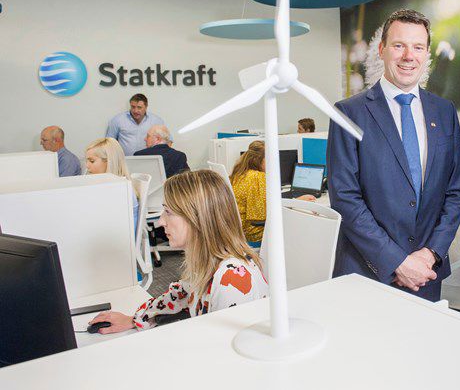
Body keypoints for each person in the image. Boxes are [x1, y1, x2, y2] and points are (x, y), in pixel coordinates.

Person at [327, 9, 460, 302]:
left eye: (418, 47)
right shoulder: (348, 113)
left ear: (427, 54)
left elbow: (455, 192)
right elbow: (345, 198)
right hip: (369, 272)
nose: (409, 56)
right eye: (399, 45)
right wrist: (398, 262)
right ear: (382, 49)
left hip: (427, 275)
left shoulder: (444, 112)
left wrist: (429, 254)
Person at [89, 170, 269, 333]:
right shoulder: (207, 262)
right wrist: (134, 320)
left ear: (198, 218)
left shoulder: (231, 278)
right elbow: (178, 296)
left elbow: (228, 353)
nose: (160, 222)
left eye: (168, 212)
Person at [230, 140, 314, 246]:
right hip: (253, 233)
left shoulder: (241, 174)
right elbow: (261, 216)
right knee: (300, 224)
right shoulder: (257, 177)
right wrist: (297, 202)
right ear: (258, 160)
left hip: (238, 230)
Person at [85, 137, 139, 231]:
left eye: (92, 161)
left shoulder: (119, 189)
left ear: (109, 161)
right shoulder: (111, 186)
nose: (87, 166)